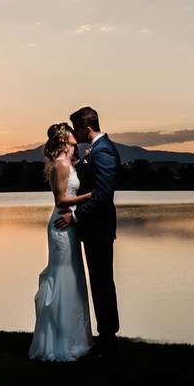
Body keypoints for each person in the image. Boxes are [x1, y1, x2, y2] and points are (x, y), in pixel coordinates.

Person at [53, 106, 122, 360]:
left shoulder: (104, 152)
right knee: (98, 283)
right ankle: (105, 340)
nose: (76, 134)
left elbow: (103, 196)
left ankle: (108, 341)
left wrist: (76, 215)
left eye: (78, 129)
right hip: (93, 229)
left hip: (99, 229)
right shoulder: (95, 150)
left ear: (87, 128)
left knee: (102, 283)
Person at [28, 122, 96, 361]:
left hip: (70, 225)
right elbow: (60, 200)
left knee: (74, 275)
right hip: (61, 226)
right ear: (64, 139)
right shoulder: (61, 165)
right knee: (64, 275)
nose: (74, 133)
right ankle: (60, 342)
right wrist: (91, 195)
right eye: (70, 131)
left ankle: (75, 338)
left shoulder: (69, 163)